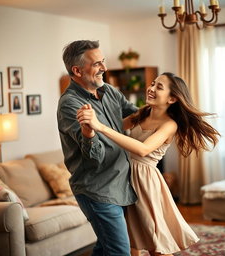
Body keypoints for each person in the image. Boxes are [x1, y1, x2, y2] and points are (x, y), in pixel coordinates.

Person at [77, 72, 220, 256]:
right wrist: (90, 124)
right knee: (130, 238)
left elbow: (143, 149)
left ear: (172, 98)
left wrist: (100, 126)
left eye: (159, 87)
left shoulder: (170, 124)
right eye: (153, 84)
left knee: (155, 244)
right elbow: (116, 130)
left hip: (145, 182)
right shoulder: (142, 112)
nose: (151, 89)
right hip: (123, 177)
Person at [57, 40, 138, 256]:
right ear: (77, 70)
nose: (104, 68)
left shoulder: (108, 91)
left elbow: (136, 115)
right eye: (97, 64)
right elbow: (95, 159)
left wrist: (163, 105)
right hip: (97, 190)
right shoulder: (70, 104)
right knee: (120, 252)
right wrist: (88, 132)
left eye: (103, 61)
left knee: (106, 248)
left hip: (122, 183)